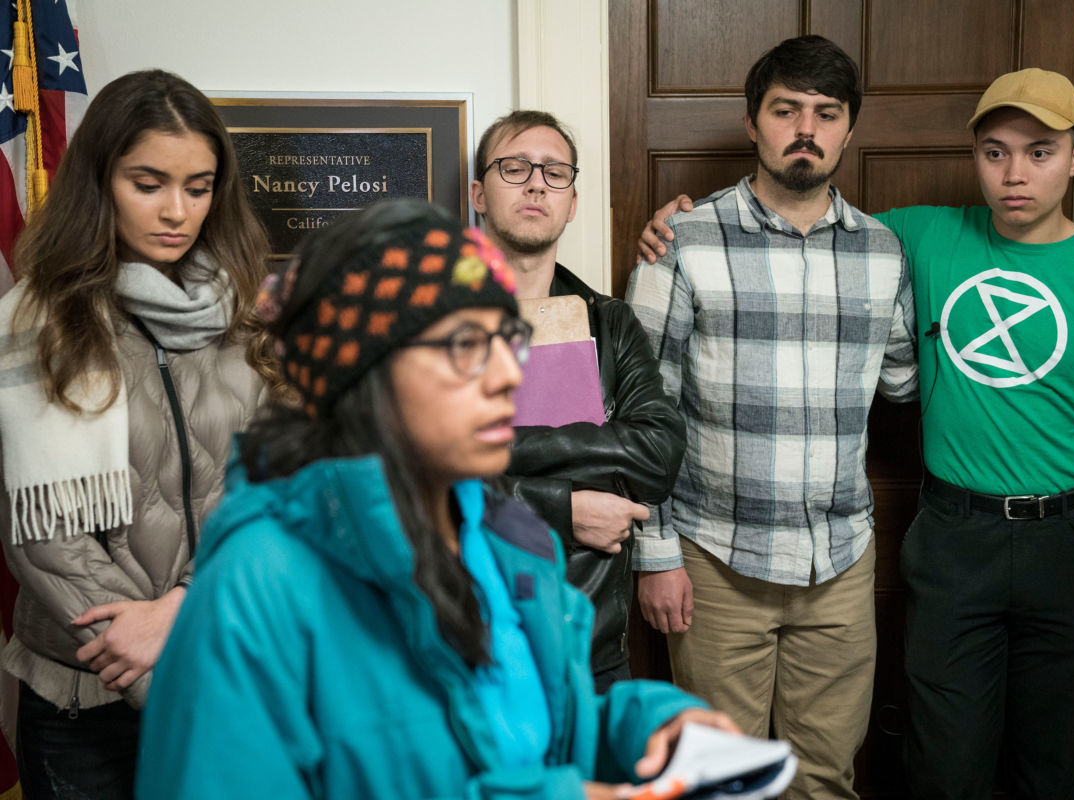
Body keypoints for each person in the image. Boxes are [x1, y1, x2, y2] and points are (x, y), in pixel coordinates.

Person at [640, 68, 1074, 800]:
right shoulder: (914, 236)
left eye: (1041, 152)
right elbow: (796, 232)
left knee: (1047, 763)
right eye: (995, 153)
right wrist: (675, 223)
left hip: (1069, 541)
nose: (1015, 174)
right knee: (942, 765)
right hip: (952, 535)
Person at [134, 199, 735, 799]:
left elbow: (542, 727)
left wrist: (648, 726)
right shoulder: (257, 584)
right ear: (363, 369)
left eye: (509, 339)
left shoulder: (509, 540)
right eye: (466, 345)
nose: (508, 374)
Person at [624, 36, 918, 799]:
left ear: (849, 129)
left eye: (826, 113)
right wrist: (654, 555)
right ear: (753, 122)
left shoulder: (885, 252)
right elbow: (641, 410)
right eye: (786, 109)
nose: (806, 129)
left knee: (824, 777)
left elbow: (904, 385)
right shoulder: (680, 243)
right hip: (717, 560)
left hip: (840, 563)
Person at [0, 69, 277, 799]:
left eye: (198, 185)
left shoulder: (243, 319)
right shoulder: (37, 322)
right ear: (101, 181)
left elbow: (270, 486)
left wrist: (183, 608)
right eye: (148, 183)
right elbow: (44, 537)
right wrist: (161, 674)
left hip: (220, 660)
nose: (176, 211)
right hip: (85, 694)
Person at [471, 110, 685, 693]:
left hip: (587, 645)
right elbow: (402, 480)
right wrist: (564, 507)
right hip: (460, 643)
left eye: (555, 172)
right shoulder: (424, 323)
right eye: (514, 168)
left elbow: (658, 454)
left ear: (571, 201)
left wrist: (486, 450)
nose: (536, 182)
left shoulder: (611, 323)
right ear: (479, 195)